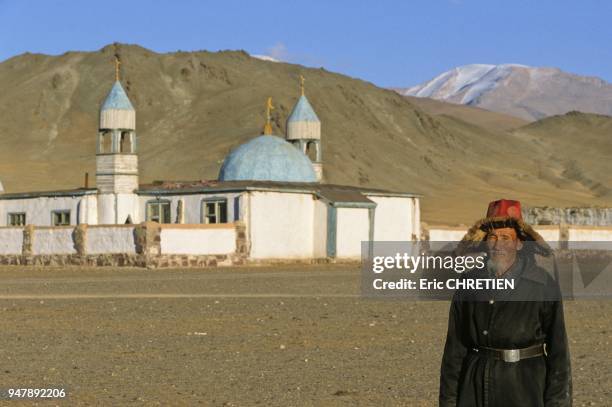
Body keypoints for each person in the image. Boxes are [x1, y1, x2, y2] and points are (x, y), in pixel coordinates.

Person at [439, 199, 572, 407]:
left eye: (505, 237)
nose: (498, 244)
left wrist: (557, 403)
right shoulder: (469, 283)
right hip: (475, 387)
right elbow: (455, 350)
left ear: (519, 242)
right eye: (492, 237)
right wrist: (448, 402)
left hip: (526, 387)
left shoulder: (542, 284)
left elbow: (559, 353)